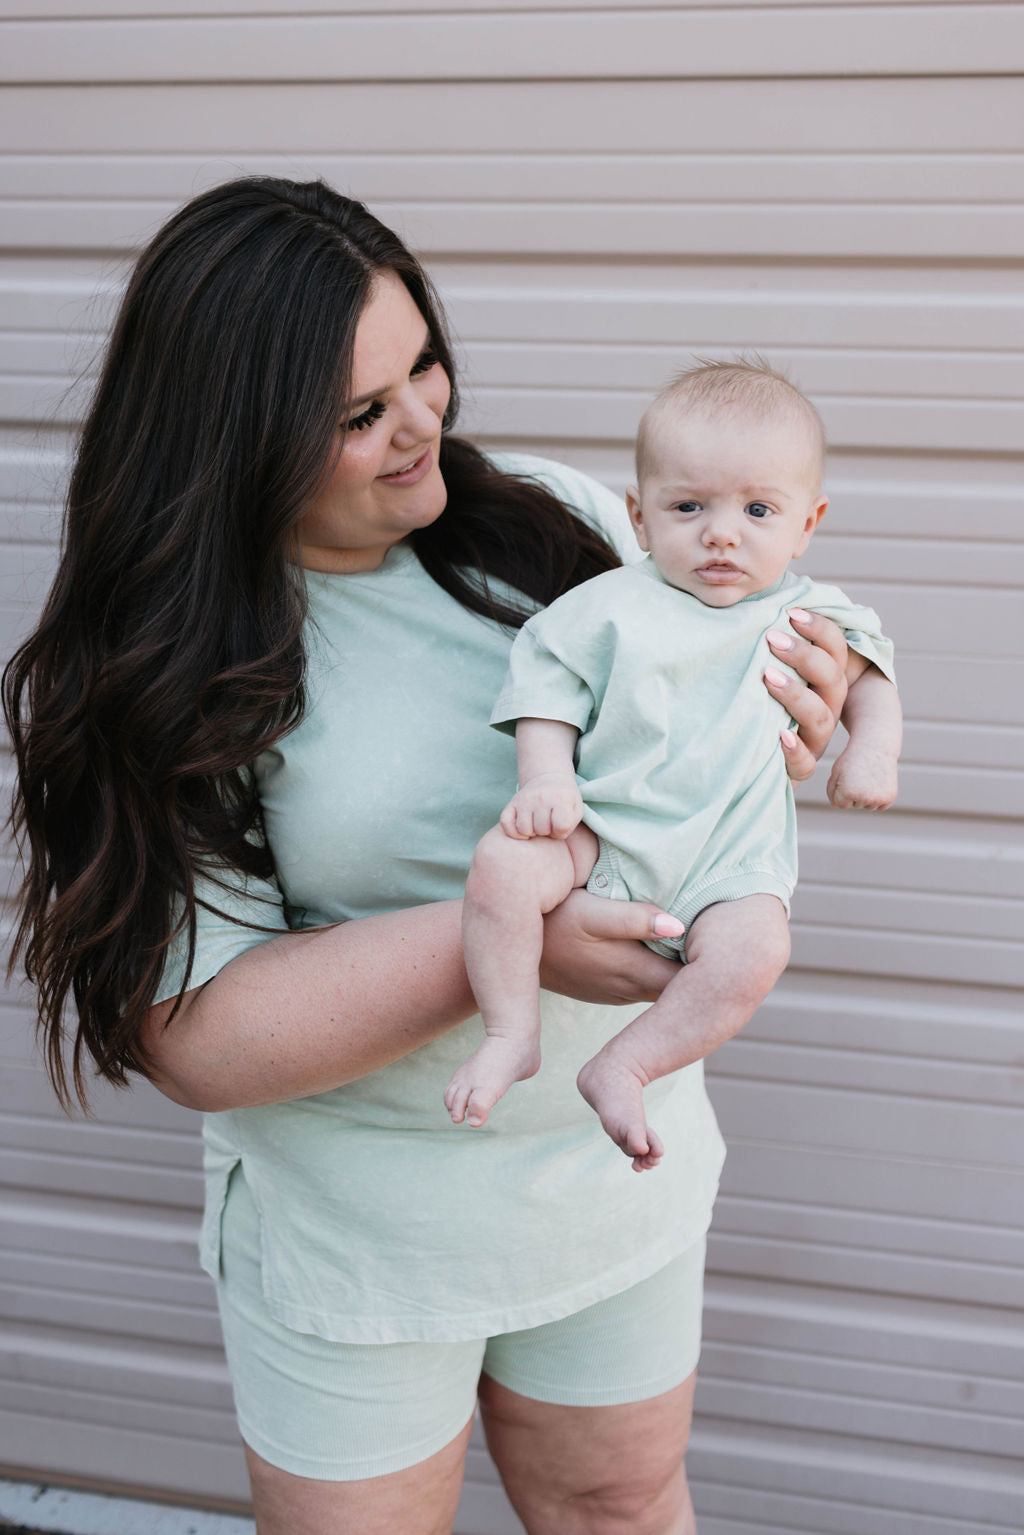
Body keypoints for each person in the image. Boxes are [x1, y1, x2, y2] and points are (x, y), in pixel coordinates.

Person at [4, 178, 851, 1535]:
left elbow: (687, 751)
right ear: (233, 442)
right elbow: (196, 1035)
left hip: (607, 1178)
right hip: (361, 1247)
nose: (426, 425)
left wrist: (779, 734)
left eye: (425, 365)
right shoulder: (173, 672)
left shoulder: (564, 530)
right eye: (360, 414)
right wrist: (501, 936)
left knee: (623, 1508)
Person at [446, 362, 901, 1170]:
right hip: (604, 829)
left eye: (758, 509)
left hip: (726, 858)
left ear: (808, 523)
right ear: (639, 514)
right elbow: (546, 689)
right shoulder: (608, 605)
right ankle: (512, 1032)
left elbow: (871, 682)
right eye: (689, 506)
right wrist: (546, 778)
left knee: (755, 951)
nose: (722, 533)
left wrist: (870, 751)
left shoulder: (808, 613)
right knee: (503, 868)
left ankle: (629, 1060)